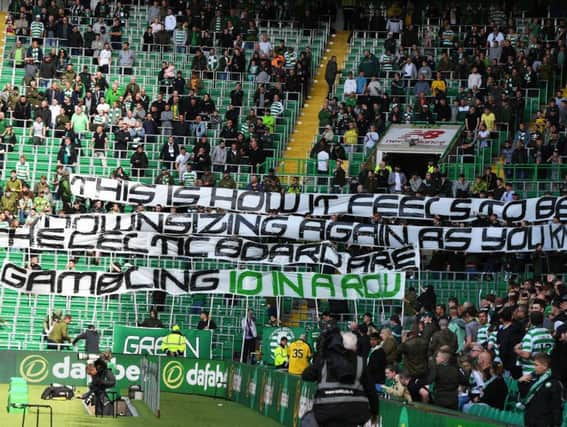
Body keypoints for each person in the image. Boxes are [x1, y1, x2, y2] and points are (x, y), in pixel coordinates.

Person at [302, 330, 379, 427]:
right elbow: (371, 391)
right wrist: (374, 412)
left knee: (308, 420)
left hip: (326, 412)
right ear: (355, 347)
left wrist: (321, 356)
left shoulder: (326, 361)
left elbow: (306, 375)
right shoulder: (360, 362)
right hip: (354, 414)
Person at [519, 353, 564, 427]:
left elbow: (557, 407)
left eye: (536, 365)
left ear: (545, 366)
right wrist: (521, 383)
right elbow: (525, 396)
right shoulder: (535, 380)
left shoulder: (555, 383)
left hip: (544, 422)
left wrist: (556, 424)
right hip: (530, 420)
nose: (534, 368)